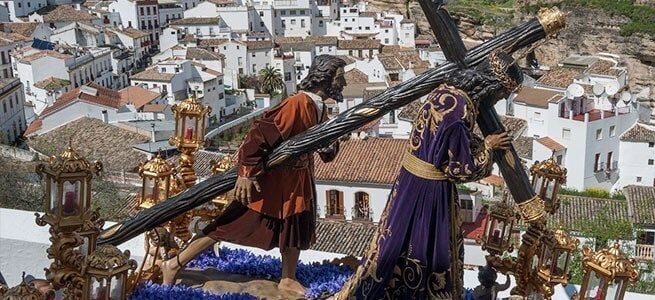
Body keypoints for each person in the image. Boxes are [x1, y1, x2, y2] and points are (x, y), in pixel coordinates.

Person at [335, 50, 523, 299]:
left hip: (408, 183)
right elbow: (459, 169)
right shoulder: (462, 110)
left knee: (395, 243)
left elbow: (440, 141)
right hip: (431, 194)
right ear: (491, 85)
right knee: (427, 252)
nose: (500, 99)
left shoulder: (446, 90)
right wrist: (488, 147)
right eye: (502, 93)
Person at [160, 55, 347, 294]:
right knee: (229, 226)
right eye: (340, 78)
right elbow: (259, 134)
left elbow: (322, 150)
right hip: (273, 186)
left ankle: (288, 278)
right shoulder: (297, 104)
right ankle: (174, 264)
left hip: (296, 184)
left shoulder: (318, 108)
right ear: (326, 77)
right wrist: (246, 173)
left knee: (293, 229)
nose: (343, 83)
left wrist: (333, 140)